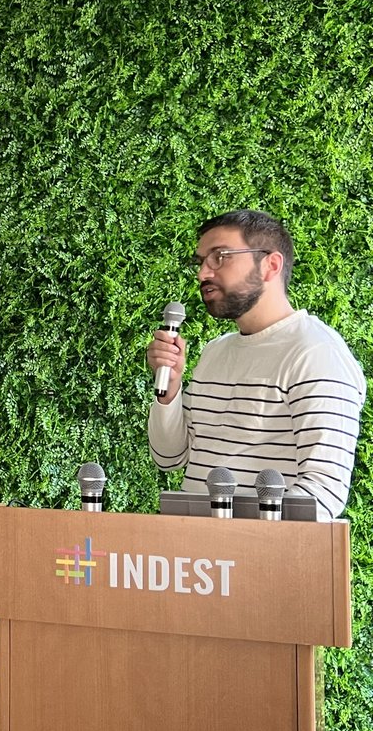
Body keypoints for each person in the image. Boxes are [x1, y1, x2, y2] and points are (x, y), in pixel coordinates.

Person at [146, 210, 367, 520]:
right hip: (196, 546)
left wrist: (238, 540)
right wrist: (169, 391)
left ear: (270, 265)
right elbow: (169, 457)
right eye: (201, 261)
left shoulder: (316, 353)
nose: (203, 273)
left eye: (220, 257)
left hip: (252, 549)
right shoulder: (215, 353)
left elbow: (323, 492)